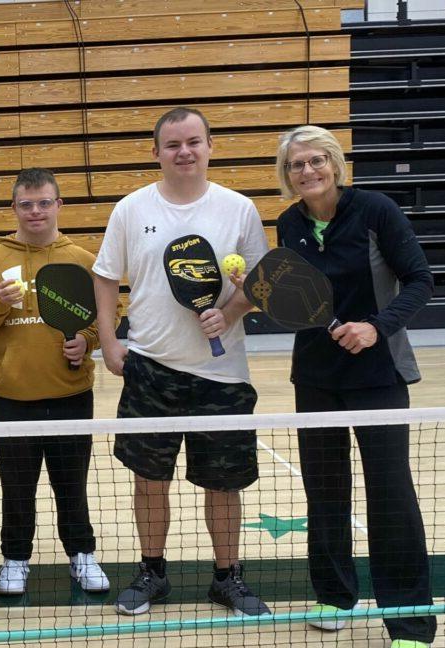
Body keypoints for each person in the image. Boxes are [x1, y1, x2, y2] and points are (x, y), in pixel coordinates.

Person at [92, 107, 270, 617]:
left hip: (224, 374)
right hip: (151, 368)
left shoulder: (238, 208)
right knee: (149, 480)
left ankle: (228, 578)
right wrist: (109, 340)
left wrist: (230, 312)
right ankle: (152, 571)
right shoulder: (130, 208)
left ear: (210, 146)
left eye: (194, 142)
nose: (184, 152)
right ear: (156, 152)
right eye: (173, 145)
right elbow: (105, 276)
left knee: (225, 482)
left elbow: (258, 281)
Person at [274, 125, 436, 648]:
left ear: (335, 164)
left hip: (378, 374)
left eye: (316, 160)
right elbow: (296, 297)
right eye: (296, 165)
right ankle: (336, 594)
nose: (307, 171)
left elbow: (419, 280)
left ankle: (410, 623)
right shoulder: (291, 223)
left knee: (390, 496)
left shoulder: (376, 210)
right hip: (316, 376)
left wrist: (375, 327)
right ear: (287, 175)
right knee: (324, 492)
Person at [0, 168, 109, 596]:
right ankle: (15, 558)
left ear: (59, 205)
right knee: (16, 487)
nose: (36, 211)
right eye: (26, 204)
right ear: (14, 208)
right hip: (12, 397)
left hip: (70, 394)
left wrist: (87, 341)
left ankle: (82, 555)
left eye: (45, 202)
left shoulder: (81, 259)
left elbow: (106, 315)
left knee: (72, 483)